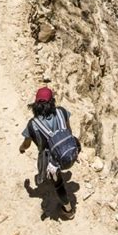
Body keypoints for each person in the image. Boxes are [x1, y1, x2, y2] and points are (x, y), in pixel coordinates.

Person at [19, 86, 78, 219]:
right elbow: (69, 131)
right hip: (69, 149)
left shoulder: (33, 125)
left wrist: (21, 149)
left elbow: (27, 144)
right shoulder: (62, 112)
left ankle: (68, 210)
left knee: (58, 184)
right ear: (52, 101)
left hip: (51, 159)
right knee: (58, 178)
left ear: (36, 105)